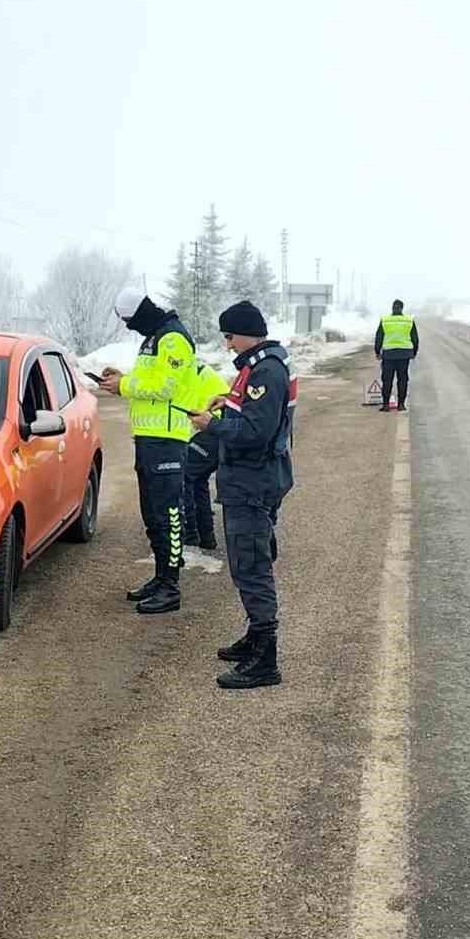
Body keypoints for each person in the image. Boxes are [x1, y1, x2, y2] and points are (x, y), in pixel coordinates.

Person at [190, 300, 293, 689]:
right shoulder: (256, 366)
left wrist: (210, 427)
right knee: (247, 563)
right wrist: (227, 406)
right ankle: (255, 637)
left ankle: (265, 659)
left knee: (252, 568)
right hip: (249, 480)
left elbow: (256, 433)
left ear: (247, 332)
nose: (227, 343)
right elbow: (250, 416)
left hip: (252, 484)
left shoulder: (265, 370)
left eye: (230, 336)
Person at [99, 287, 197, 615]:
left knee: (168, 514)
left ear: (141, 313)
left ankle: (171, 586)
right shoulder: (153, 338)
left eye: (130, 321)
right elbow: (148, 381)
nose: (129, 327)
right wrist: (123, 379)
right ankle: (160, 576)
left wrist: (125, 386)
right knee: (152, 514)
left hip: (168, 439)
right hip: (149, 438)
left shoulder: (173, 339)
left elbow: (165, 387)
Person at [184, 360, 229, 550]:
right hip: (218, 431)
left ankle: (191, 535)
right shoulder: (197, 368)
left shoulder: (180, 370)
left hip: (210, 431)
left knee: (185, 477)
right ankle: (206, 537)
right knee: (197, 481)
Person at [374, 298, 419, 412]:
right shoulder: (408, 320)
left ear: (392, 308)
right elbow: (415, 338)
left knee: (387, 380)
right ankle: (401, 404)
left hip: (388, 355)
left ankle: (386, 405)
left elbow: (379, 336)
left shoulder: (385, 320)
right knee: (402, 380)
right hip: (404, 355)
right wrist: (414, 352)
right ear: (402, 308)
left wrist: (377, 351)